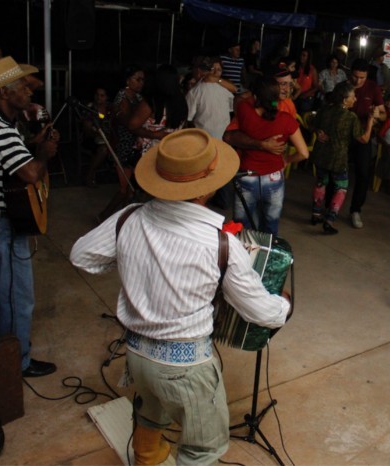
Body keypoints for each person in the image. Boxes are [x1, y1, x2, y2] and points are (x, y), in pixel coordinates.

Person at [70, 128, 292, 464]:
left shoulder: (127, 218)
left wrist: (130, 261)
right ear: (207, 188)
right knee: (204, 448)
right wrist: (284, 305)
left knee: (150, 413)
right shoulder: (219, 243)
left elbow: (81, 255)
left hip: (136, 354)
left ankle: (147, 460)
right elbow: (262, 312)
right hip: (185, 366)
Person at [0, 56, 59, 377]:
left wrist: (31, 143)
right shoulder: (2, 130)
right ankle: (17, 362)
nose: (28, 89)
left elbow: (4, 159)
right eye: (20, 86)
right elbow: (28, 174)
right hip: (1, 225)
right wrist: (42, 153)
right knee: (17, 298)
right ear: (4, 94)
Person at [232, 77, 309, 235]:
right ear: (277, 97)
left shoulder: (244, 110)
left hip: (247, 176)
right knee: (271, 224)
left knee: (242, 226)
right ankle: (266, 255)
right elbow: (303, 153)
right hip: (274, 178)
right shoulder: (286, 120)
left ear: (255, 97)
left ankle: (244, 256)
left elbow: (239, 98)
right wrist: (286, 159)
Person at [310, 81, 374, 234]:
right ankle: (330, 219)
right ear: (345, 100)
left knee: (321, 182)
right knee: (341, 187)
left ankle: (316, 214)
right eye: (353, 97)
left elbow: (311, 123)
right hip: (338, 157)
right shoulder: (350, 117)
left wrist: (318, 131)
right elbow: (363, 139)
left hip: (320, 154)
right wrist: (370, 122)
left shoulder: (325, 110)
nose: (355, 99)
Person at [97, 65, 144, 222]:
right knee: (125, 189)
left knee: (129, 190)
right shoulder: (122, 98)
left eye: (142, 79)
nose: (141, 83)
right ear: (127, 80)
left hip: (133, 145)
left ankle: (121, 219)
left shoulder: (137, 97)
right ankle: (103, 217)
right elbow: (126, 123)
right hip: (123, 146)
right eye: (137, 79)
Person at [347, 58, 386, 229]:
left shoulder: (372, 87)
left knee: (363, 174)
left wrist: (377, 114)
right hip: (344, 136)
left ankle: (356, 210)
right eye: (355, 77)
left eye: (362, 78)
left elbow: (384, 115)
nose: (358, 81)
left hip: (364, 135)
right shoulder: (344, 86)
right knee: (336, 172)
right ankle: (329, 206)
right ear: (351, 73)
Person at [186, 56, 234, 141]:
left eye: (219, 70)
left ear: (198, 71)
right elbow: (230, 110)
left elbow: (188, 117)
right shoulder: (226, 90)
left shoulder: (194, 92)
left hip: (204, 141)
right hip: (224, 141)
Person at [82, 87, 114, 187]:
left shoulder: (111, 107)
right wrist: (97, 133)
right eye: (97, 95)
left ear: (107, 97)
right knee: (103, 149)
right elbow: (87, 128)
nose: (98, 98)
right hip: (93, 138)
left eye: (102, 95)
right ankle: (90, 174)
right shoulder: (90, 108)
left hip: (111, 137)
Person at [294, 48, 319, 113]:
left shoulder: (312, 70)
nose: (301, 57)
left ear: (308, 58)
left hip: (306, 98)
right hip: (295, 96)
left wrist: (305, 94)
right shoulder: (295, 67)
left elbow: (316, 87)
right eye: (301, 55)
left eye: (304, 55)